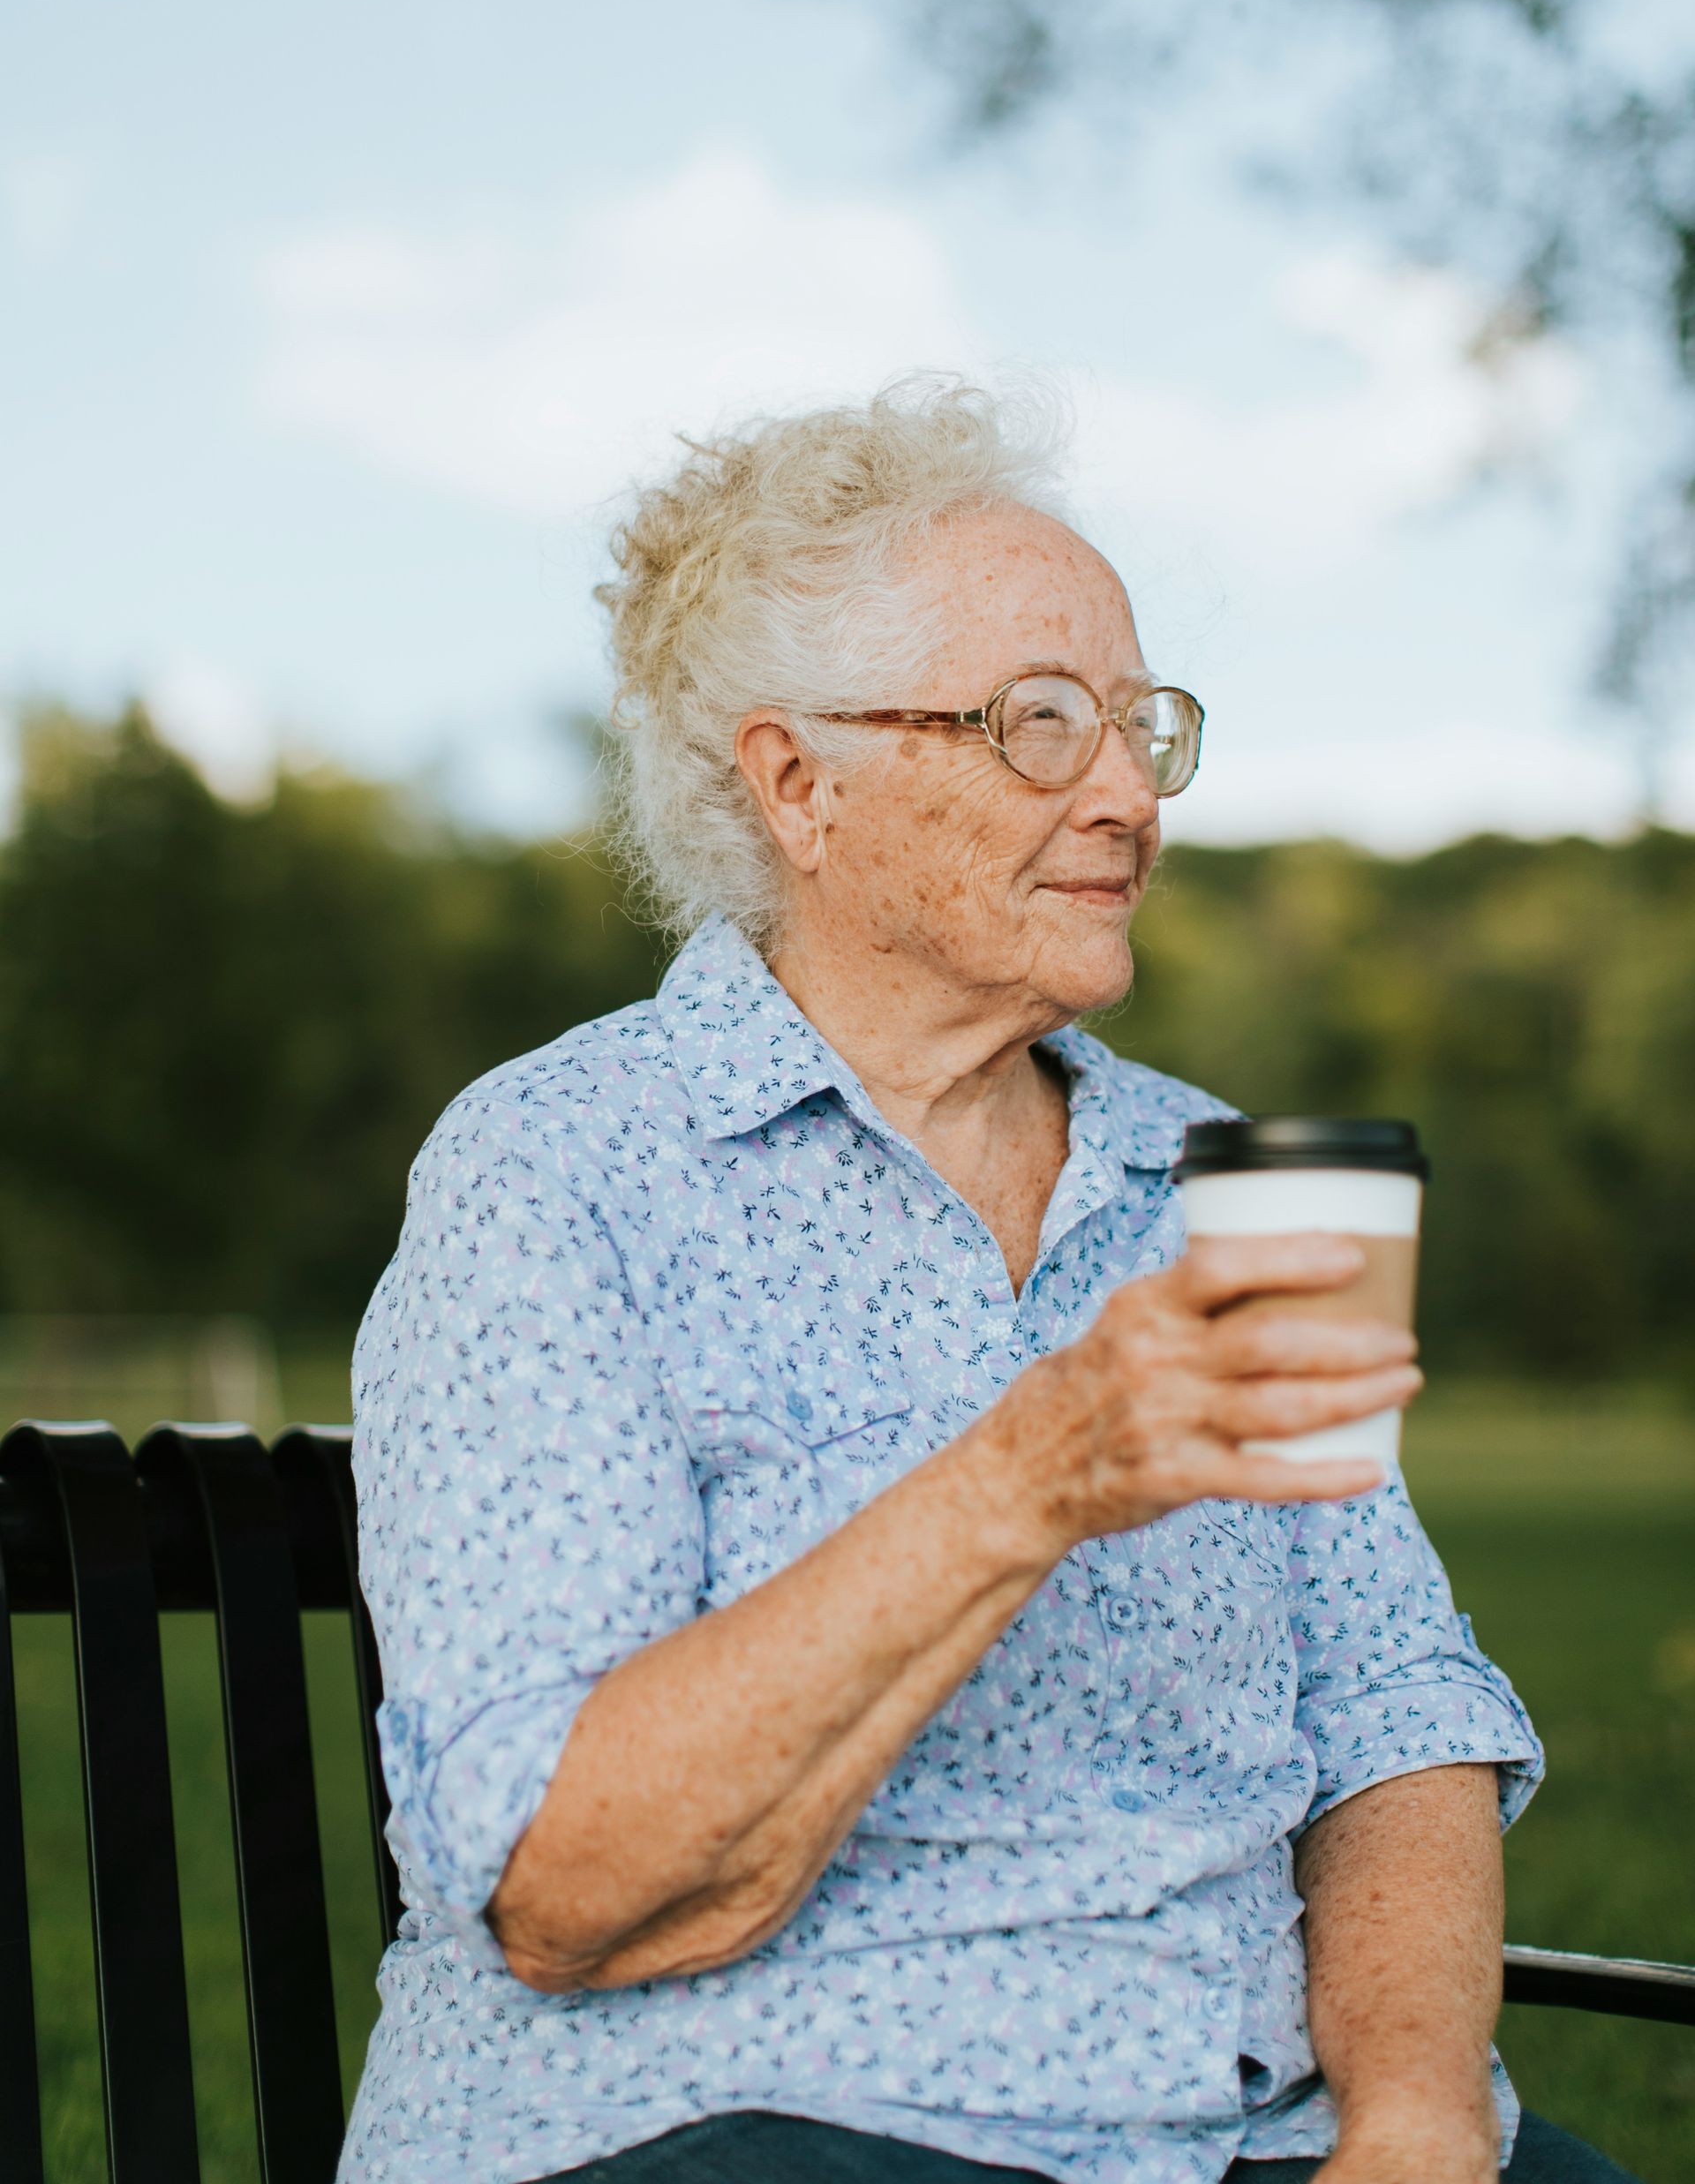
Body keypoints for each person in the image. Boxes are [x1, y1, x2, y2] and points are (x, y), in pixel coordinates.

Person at [344, 380, 1633, 2184]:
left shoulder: (1218, 1183)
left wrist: (1414, 2114)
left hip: (1245, 2136)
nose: (1127, 795)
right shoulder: (558, 1175)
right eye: (1040, 726)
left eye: (1137, 725)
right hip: (751, 2127)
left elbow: (1395, 1711)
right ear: (801, 783)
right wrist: (1030, 1479)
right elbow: (558, 1891)